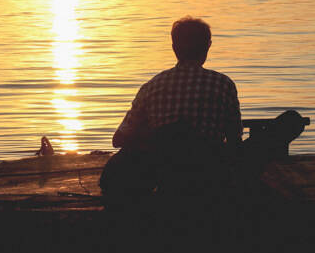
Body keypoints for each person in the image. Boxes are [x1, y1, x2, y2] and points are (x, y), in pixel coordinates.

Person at [100, 16, 241, 199]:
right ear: (208, 47)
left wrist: (156, 136)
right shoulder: (223, 84)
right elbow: (234, 139)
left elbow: (119, 139)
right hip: (209, 176)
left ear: (174, 48)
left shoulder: (151, 87)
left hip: (164, 175)